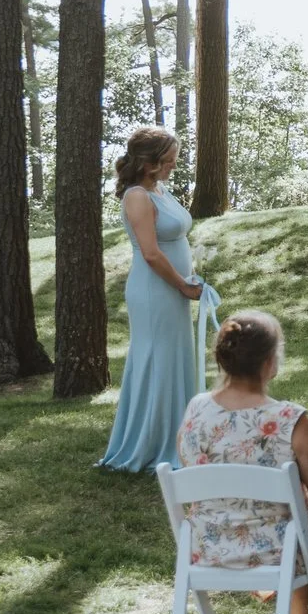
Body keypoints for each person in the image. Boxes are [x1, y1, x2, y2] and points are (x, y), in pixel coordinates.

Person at [173, 311, 308, 614]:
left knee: (301, 539)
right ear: (270, 362)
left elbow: (191, 467)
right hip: (277, 554)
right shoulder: (289, 420)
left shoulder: (196, 410)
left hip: (208, 547)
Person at [97, 126, 208, 473]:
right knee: (156, 361)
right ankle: (148, 444)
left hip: (172, 288)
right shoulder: (136, 197)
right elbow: (150, 253)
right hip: (155, 289)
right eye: (169, 159)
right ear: (149, 163)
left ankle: (177, 437)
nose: (174, 164)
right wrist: (182, 286)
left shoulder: (158, 189)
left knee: (175, 360)